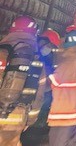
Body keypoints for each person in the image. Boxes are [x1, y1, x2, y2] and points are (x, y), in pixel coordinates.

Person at [0, 16, 45, 146]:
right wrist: (30, 119)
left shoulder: (2, 48)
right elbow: (39, 92)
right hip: (15, 113)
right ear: (35, 32)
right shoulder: (36, 55)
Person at [31, 29, 61, 127]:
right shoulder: (43, 50)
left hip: (38, 82)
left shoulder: (35, 46)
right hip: (42, 83)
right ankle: (38, 122)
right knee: (45, 100)